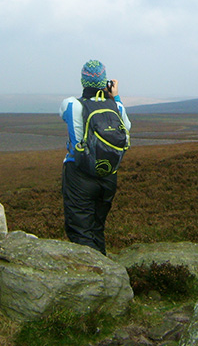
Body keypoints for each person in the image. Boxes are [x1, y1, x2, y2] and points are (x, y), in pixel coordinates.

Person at [59, 60, 132, 255]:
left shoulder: (72, 105)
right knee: (97, 227)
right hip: (108, 176)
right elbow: (127, 128)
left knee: (81, 231)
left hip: (79, 174)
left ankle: (94, 277)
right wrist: (115, 98)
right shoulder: (117, 108)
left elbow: (64, 115)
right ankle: (106, 271)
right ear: (104, 82)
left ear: (83, 81)